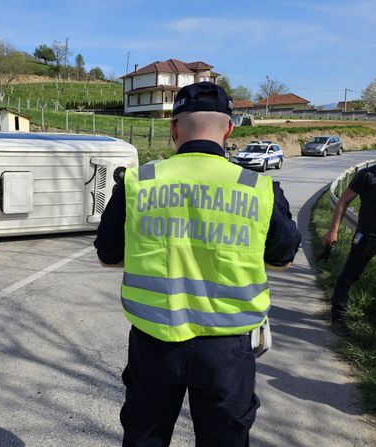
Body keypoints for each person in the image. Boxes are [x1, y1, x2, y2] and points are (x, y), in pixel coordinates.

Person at [94, 82, 301, 447]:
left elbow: (108, 255)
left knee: (145, 435)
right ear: (229, 130)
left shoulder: (138, 183)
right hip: (228, 351)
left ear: (174, 128)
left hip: (155, 344)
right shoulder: (258, 188)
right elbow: (283, 258)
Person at [322, 163, 376, 336]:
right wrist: (333, 231)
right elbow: (343, 202)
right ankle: (338, 317)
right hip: (367, 237)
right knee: (349, 276)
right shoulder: (367, 175)